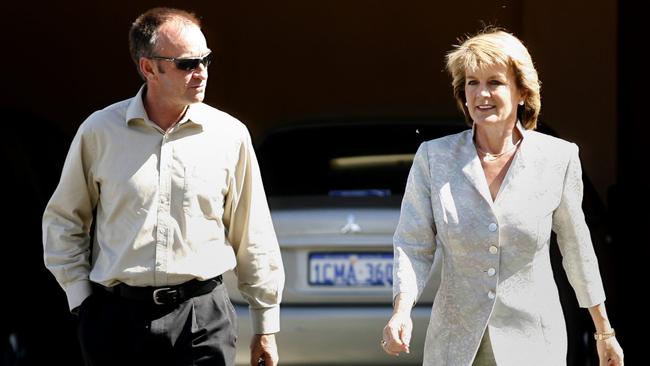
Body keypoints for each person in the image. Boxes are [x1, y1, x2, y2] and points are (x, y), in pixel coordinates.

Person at [42, 7, 284, 366]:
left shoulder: (230, 135)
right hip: (116, 320)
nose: (201, 72)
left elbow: (253, 232)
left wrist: (265, 324)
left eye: (206, 60)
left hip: (203, 318)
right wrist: (82, 299)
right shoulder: (99, 131)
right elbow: (64, 220)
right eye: (187, 64)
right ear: (148, 68)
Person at [381, 28, 624, 366]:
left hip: (533, 341)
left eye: (494, 82)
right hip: (456, 342)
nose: (482, 94)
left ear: (522, 92)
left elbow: (576, 247)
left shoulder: (558, 158)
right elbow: (412, 243)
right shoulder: (434, 158)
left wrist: (604, 332)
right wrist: (401, 311)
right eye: (471, 83)